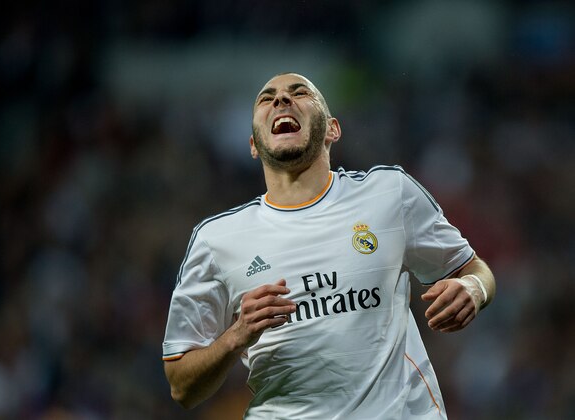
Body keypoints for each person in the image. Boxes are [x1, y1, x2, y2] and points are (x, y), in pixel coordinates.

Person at [162, 72, 496, 419]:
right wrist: (236, 336)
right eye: (267, 98)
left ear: (332, 130)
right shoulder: (217, 239)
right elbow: (182, 387)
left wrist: (473, 287)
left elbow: (474, 269)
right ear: (253, 144)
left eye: (299, 92)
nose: (280, 100)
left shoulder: (389, 193)